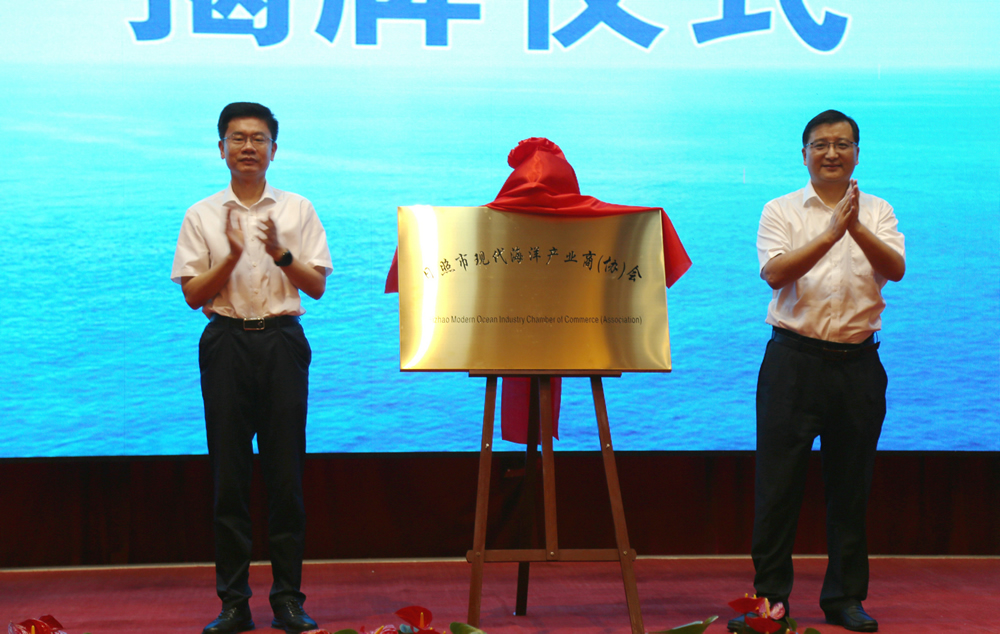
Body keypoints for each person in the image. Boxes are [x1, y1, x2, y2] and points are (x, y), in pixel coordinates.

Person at [730, 110, 905, 633]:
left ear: (857, 154)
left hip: (858, 365)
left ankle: (845, 599)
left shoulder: (879, 210)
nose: (832, 153)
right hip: (793, 362)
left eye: (843, 144)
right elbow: (774, 273)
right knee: (777, 488)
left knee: (851, 488)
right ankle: (770, 602)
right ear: (804, 154)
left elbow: (895, 269)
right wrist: (831, 234)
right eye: (821, 144)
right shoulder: (780, 209)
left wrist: (855, 228)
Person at [171, 102, 332, 634]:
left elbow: (316, 286)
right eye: (237, 138)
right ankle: (234, 604)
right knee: (230, 478)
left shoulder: (298, 209)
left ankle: (288, 600)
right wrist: (232, 256)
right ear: (220, 148)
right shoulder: (201, 214)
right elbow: (193, 295)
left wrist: (281, 254)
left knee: (286, 477)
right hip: (226, 342)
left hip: (282, 342)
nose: (247, 147)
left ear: (273, 150)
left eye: (258, 138)